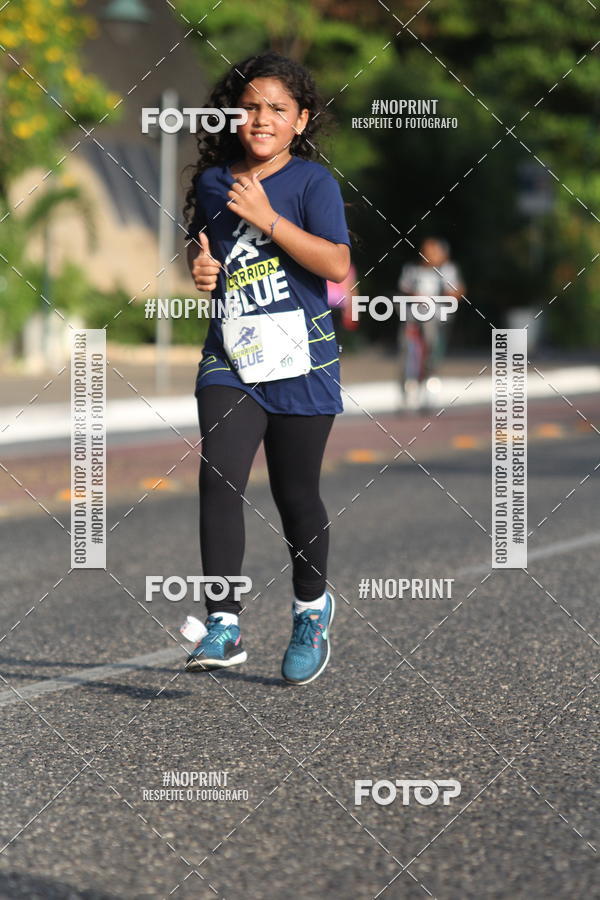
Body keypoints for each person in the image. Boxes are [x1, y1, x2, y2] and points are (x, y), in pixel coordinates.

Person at [182, 51, 351, 685]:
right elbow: (206, 252)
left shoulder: (313, 185)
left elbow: (335, 267)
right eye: (251, 106)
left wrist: (269, 220)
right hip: (231, 355)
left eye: (278, 109)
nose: (261, 119)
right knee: (219, 476)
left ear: (300, 121)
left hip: (301, 358)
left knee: (296, 495)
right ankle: (222, 622)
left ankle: (311, 609)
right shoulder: (211, 183)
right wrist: (199, 271)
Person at [397, 237, 464, 409]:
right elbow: (404, 290)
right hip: (413, 317)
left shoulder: (447, 270)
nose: (429, 255)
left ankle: (430, 387)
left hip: (437, 319)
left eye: (434, 251)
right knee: (408, 350)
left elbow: (457, 292)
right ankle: (408, 389)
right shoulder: (412, 270)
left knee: (432, 351)